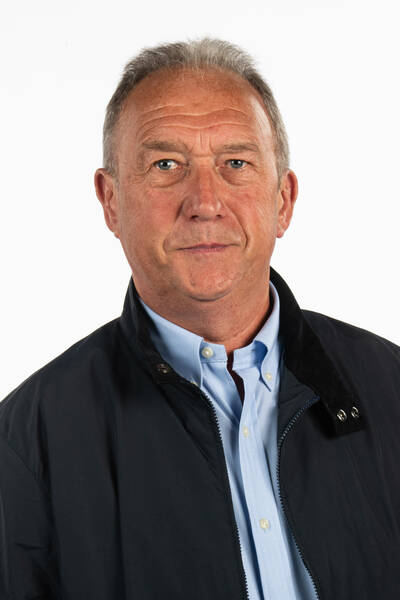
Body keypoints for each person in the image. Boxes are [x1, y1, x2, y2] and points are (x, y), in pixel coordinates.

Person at [0, 37, 399, 600]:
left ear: (283, 200)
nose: (205, 202)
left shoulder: (390, 385)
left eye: (236, 163)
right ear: (111, 200)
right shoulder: (25, 445)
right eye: (166, 165)